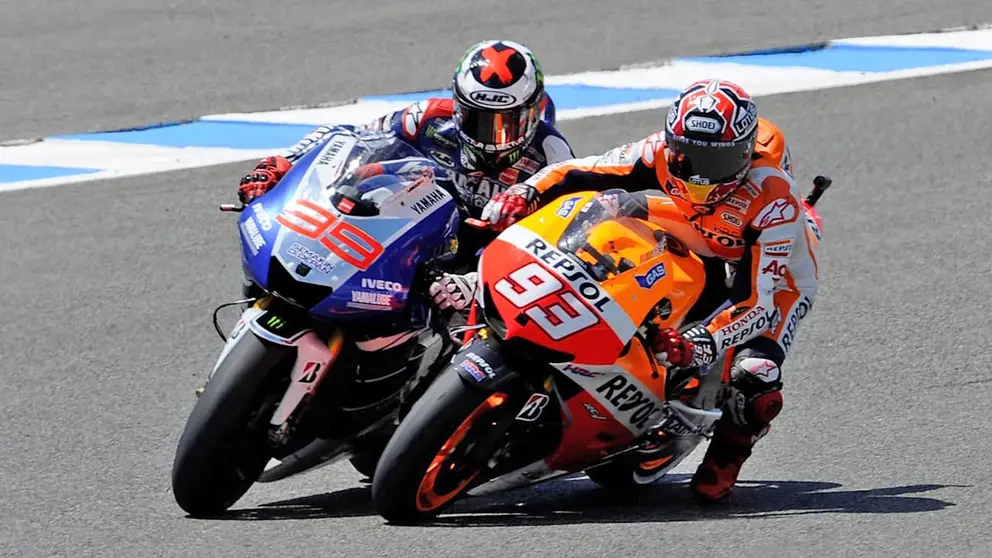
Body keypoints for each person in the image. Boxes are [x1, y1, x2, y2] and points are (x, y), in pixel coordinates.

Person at [434, 78, 824, 502]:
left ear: (746, 154)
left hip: (776, 275)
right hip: (697, 224)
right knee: (608, 206)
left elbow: (757, 303)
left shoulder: (775, 201)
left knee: (754, 372)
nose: (700, 173)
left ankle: (730, 451)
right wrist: (525, 192)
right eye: (689, 155)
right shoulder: (657, 151)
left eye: (720, 160)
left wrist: (701, 341)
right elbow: (579, 170)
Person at [236, 39, 574, 281]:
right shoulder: (427, 118)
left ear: (533, 113)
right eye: (477, 120)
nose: (490, 136)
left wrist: (476, 281)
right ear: (458, 106)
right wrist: (282, 162)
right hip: (412, 234)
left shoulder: (552, 154)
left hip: (483, 264)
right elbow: (349, 137)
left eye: (506, 123)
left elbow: (559, 238)